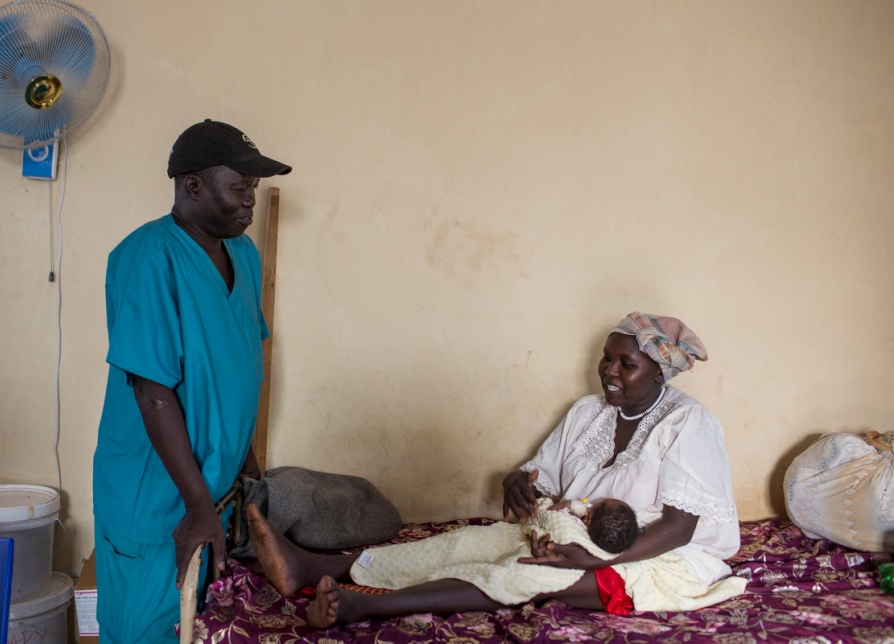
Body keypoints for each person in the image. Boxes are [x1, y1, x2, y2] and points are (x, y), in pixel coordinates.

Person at [246, 312, 745, 627]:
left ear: (659, 371)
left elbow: (680, 529)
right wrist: (519, 484)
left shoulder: (689, 424)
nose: (609, 372)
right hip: (576, 534)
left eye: (625, 364)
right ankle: (317, 567)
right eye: (605, 359)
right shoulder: (588, 412)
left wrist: (590, 561)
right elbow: (538, 476)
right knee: (463, 542)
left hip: (663, 559)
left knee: (522, 574)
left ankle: (360, 606)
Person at [92, 119, 291, 643]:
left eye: (254, 190)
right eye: (240, 188)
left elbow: (238, 366)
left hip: (212, 496)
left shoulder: (243, 256)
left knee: (201, 628)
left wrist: (244, 466)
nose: (250, 201)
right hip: (155, 496)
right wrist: (198, 504)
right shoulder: (146, 258)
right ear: (193, 186)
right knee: (147, 628)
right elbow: (153, 393)